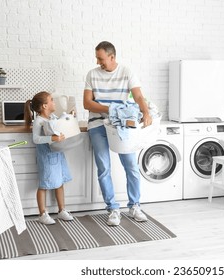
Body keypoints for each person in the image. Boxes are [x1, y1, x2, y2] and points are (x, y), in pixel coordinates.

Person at [83, 41, 152, 226]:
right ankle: (113, 209)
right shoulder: (92, 74)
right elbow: (87, 104)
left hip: (121, 125)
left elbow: (138, 96)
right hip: (98, 124)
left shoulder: (127, 72)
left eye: (101, 58)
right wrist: (112, 109)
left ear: (112, 57)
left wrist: (145, 112)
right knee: (104, 168)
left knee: (131, 166)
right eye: (97, 58)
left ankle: (134, 205)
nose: (98, 62)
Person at [24, 91, 74, 225]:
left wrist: (68, 116)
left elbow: (59, 126)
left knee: (60, 182)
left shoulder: (52, 117)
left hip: (57, 154)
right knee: (44, 184)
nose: (54, 102)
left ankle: (61, 210)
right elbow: (36, 139)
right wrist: (51, 138)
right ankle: (42, 213)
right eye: (52, 100)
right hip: (46, 157)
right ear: (45, 106)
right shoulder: (39, 121)